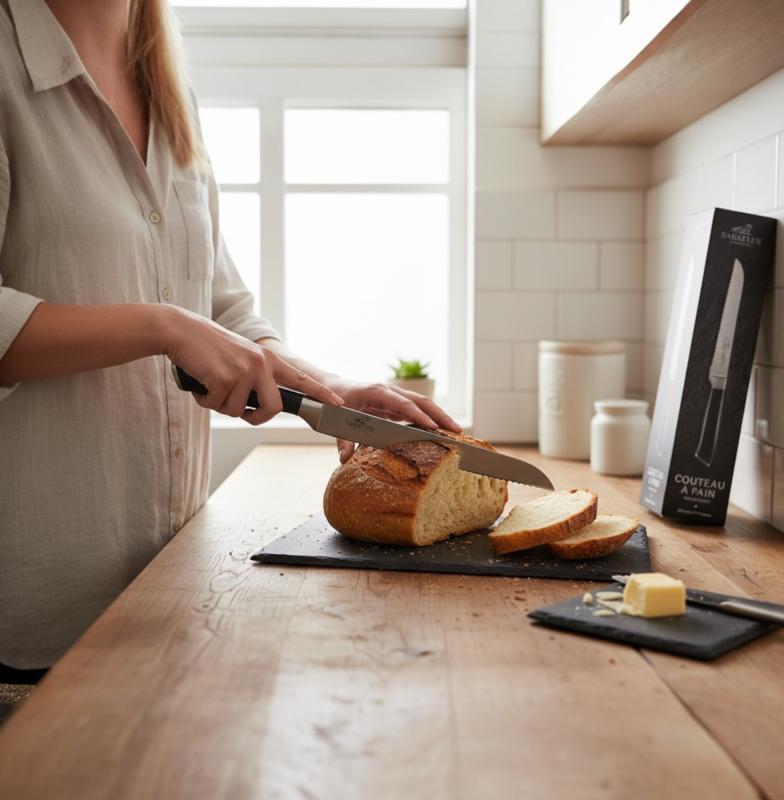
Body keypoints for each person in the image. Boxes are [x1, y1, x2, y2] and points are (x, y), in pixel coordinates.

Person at [0, 0, 461, 674]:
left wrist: (328, 386)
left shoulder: (166, 86)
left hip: (172, 586)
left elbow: (220, 306)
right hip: (41, 611)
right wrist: (163, 325)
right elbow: (181, 320)